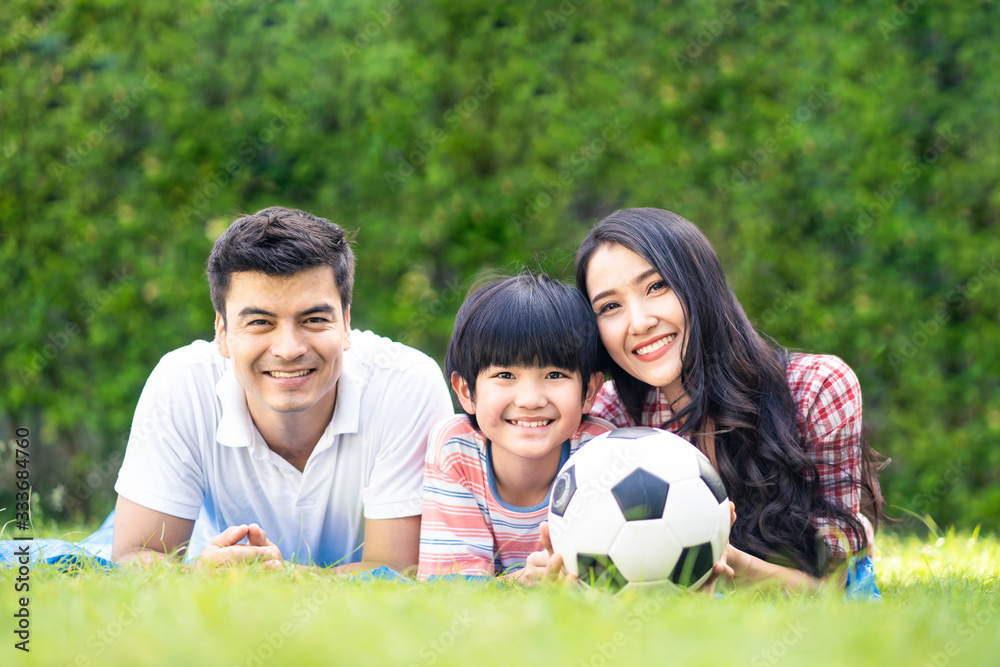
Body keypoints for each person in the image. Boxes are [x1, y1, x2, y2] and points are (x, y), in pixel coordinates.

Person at [112, 206, 453, 573]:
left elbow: (397, 570)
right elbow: (132, 555)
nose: (289, 349)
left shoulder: (407, 384)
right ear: (222, 334)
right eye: (260, 322)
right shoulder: (182, 382)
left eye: (314, 319)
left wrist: (280, 578)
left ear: (347, 323)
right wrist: (199, 574)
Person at [573, 207, 887, 594]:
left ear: (701, 285)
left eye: (656, 286)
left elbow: (843, 587)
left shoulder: (817, 388)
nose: (638, 323)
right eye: (610, 306)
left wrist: (730, 563)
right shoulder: (613, 417)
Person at [417, 273, 614, 582]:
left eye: (554, 375)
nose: (530, 400)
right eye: (505, 375)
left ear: (589, 391)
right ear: (467, 391)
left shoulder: (601, 452)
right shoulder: (456, 449)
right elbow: (448, 585)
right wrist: (521, 580)